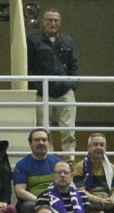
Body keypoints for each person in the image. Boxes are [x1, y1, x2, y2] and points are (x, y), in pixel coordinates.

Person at [26, 10, 79, 156]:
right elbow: (27, 65)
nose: (53, 23)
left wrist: (73, 84)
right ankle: (48, 158)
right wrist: (32, 87)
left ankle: (69, 159)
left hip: (64, 89)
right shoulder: (33, 41)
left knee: (69, 129)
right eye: (49, 20)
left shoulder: (67, 40)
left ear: (60, 23)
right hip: (42, 91)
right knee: (44, 129)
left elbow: (73, 63)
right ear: (43, 22)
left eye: (56, 20)